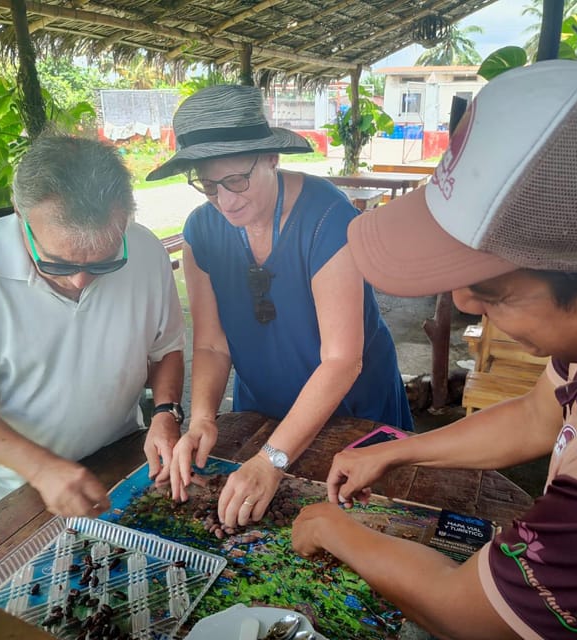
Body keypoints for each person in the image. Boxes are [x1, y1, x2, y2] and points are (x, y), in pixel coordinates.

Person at [291, 60, 577, 640]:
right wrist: (397, 453)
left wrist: (329, 529)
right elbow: (535, 416)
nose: (465, 303)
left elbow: (463, 610)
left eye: (493, 290)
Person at [145, 85, 412, 529]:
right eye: (209, 186)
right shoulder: (202, 231)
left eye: (236, 181)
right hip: (264, 409)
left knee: (362, 527)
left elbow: (342, 360)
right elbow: (211, 344)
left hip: (353, 409)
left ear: (272, 157)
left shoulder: (329, 219)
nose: (225, 201)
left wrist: (272, 458)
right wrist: (202, 418)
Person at [0, 134, 186, 529]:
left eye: (104, 263)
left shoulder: (146, 252)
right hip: (7, 487)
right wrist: (42, 470)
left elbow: (165, 349)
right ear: (19, 213)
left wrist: (166, 412)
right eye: (58, 264)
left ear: (126, 218)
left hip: (120, 463)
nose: (81, 281)